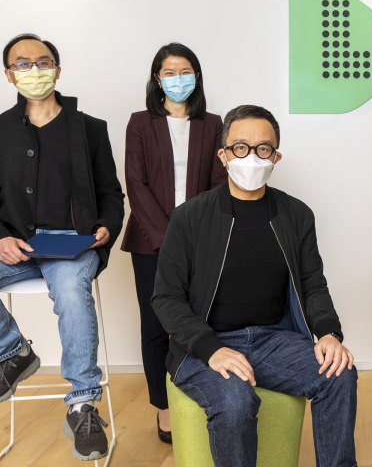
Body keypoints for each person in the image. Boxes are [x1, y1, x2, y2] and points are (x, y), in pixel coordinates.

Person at [0, 33, 124, 461]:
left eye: (42, 62)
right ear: (9, 75)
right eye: (22, 64)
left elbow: (111, 194)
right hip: (13, 244)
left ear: (57, 70)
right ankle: (13, 353)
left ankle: (82, 404)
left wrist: (106, 226)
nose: (34, 70)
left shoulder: (90, 129)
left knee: (72, 292)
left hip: (70, 244)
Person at [152, 105, 357, 467]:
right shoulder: (189, 217)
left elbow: (312, 284)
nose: (252, 156)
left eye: (263, 148)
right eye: (240, 147)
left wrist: (328, 333)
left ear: (276, 156)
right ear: (223, 155)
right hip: (205, 344)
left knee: (339, 373)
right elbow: (167, 298)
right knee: (235, 401)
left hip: (273, 340)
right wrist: (212, 349)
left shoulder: (296, 214)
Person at [121, 42, 227, 442]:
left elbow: (218, 183)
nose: (177, 79)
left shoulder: (213, 124)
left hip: (202, 240)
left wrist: (193, 238)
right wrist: (169, 239)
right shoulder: (140, 123)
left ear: (196, 77)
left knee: (201, 321)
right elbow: (136, 183)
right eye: (169, 72)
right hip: (150, 243)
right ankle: (164, 408)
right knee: (155, 326)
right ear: (157, 78)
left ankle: (202, 397)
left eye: (185, 72)